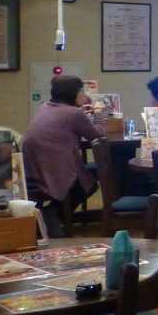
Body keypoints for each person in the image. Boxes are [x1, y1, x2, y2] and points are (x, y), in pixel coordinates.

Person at [23, 75, 106, 236]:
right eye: (81, 91)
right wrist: (98, 112)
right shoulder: (74, 113)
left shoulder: (45, 107)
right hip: (57, 170)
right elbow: (98, 134)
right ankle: (50, 215)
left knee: (88, 176)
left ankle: (50, 217)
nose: (84, 94)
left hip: (35, 169)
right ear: (72, 93)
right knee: (93, 178)